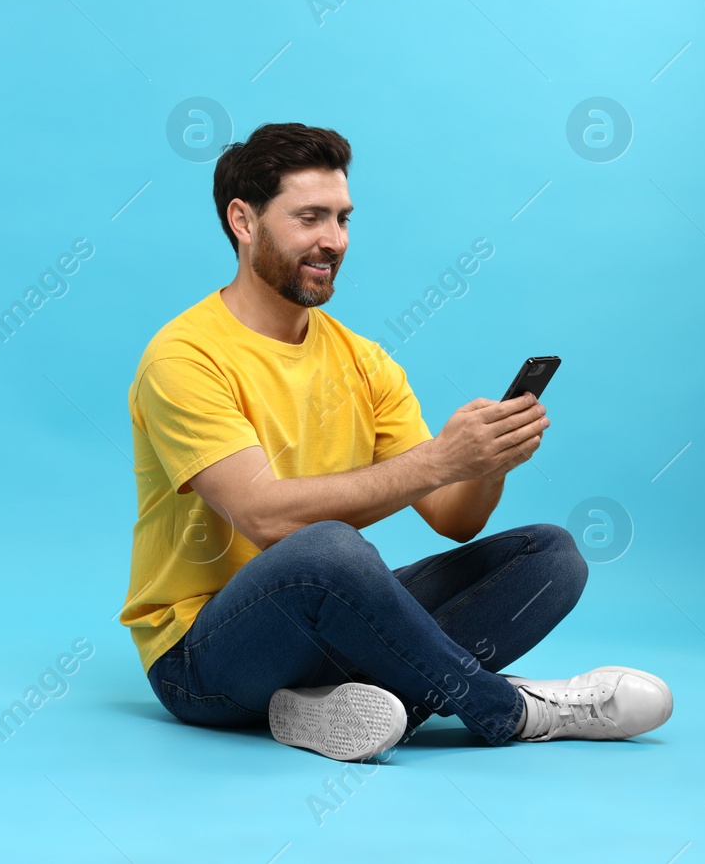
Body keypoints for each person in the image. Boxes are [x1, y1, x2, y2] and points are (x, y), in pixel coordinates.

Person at [119, 122, 672, 761]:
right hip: (204, 659)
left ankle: (338, 708)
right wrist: (439, 458)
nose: (333, 241)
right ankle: (513, 709)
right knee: (327, 547)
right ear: (243, 221)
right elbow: (264, 516)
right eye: (309, 218)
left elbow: (454, 518)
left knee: (552, 555)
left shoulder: (363, 360)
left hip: (325, 626)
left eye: (343, 219)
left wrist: (485, 461)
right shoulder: (184, 357)